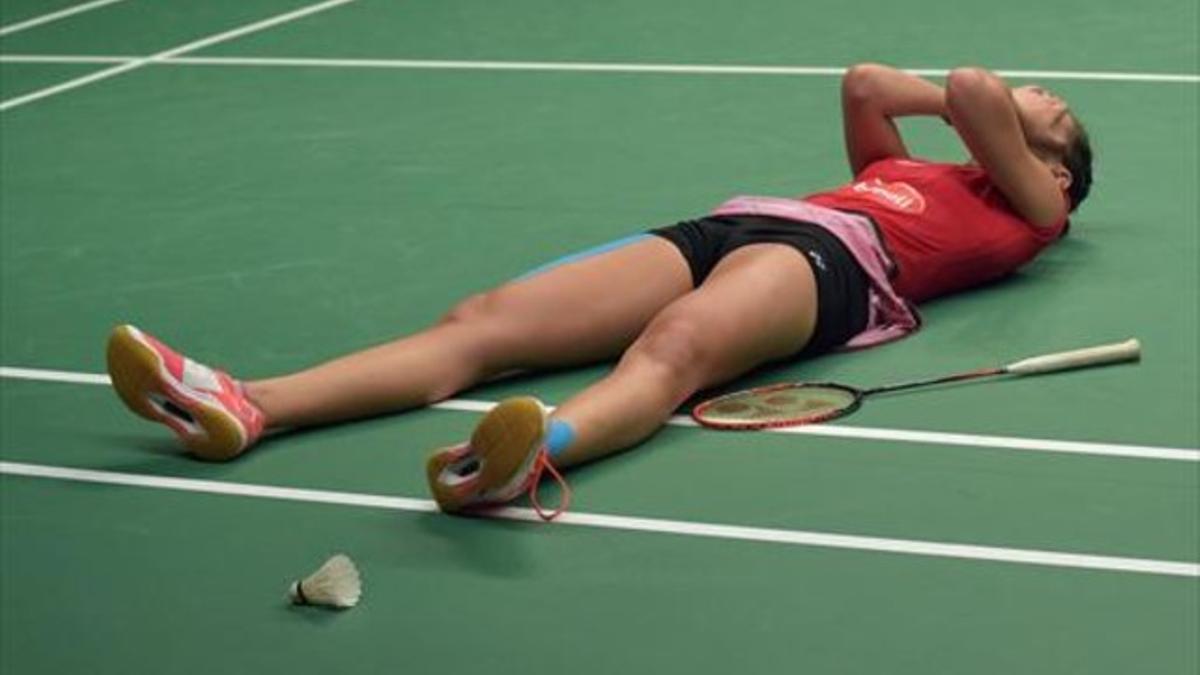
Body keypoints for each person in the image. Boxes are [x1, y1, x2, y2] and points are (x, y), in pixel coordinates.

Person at [106, 64, 1094, 520]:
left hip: (843, 267)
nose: (1039, 97)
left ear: (1058, 178)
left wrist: (996, 115)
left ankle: (529, 458)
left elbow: (968, 85)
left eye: (1055, 113)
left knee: (671, 354)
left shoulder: (1030, 209)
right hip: (738, 223)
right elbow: (864, 86)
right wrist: (976, 120)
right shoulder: (935, 167)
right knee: (483, 324)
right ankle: (250, 404)